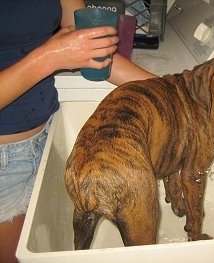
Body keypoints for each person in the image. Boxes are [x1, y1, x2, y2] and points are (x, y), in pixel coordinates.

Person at [0, 0, 156, 262]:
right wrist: (51, 56)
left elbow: (94, 51)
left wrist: (176, 89)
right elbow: (60, 53)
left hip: (50, 141)